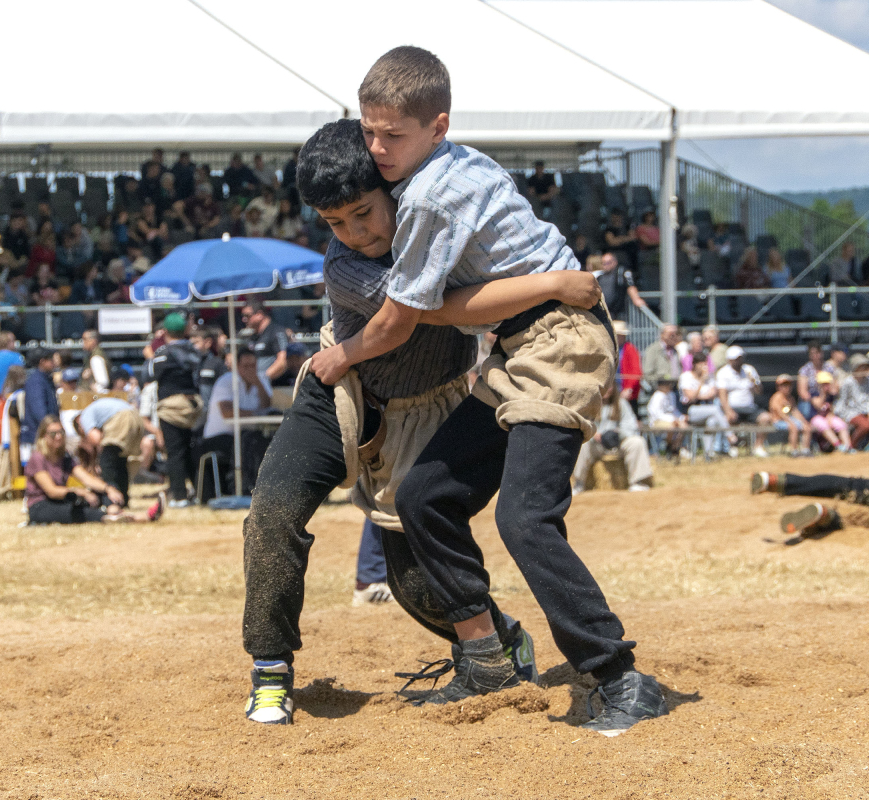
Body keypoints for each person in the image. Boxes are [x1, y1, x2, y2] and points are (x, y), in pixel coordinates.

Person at [323, 47, 667, 736]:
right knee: (427, 495)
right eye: (368, 130)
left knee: (524, 518)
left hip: (561, 342)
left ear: (437, 126)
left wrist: (341, 355)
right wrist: (547, 281)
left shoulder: (425, 195)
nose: (377, 147)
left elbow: (410, 316)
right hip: (524, 343)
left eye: (393, 134)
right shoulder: (456, 162)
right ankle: (487, 660)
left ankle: (619, 675)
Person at [241, 117, 604, 727]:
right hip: (341, 384)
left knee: (413, 583)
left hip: (428, 404)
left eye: (363, 213)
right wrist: (555, 284)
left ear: (396, 187)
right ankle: (270, 668)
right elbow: (427, 310)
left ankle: (497, 638)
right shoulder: (343, 267)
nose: (354, 234)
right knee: (271, 512)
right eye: (334, 223)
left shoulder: (435, 219)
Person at [26, 416, 164, 525]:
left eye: (61, 432)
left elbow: (87, 478)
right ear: (43, 436)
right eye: (53, 434)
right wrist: (82, 492)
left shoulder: (64, 457)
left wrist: (108, 489)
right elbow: (52, 491)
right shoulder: (37, 458)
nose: (58, 437)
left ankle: (114, 512)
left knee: (106, 488)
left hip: (63, 499)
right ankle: (140, 517)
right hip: (41, 506)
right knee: (81, 512)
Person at [199, 348, 274, 498]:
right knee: (247, 443)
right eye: (246, 366)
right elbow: (227, 411)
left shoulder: (261, 380)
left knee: (262, 441)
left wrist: (258, 383)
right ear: (237, 366)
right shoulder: (225, 381)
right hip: (220, 436)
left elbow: (267, 404)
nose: (250, 370)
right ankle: (241, 488)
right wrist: (254, 414)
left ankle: (262, 488)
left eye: (253, 365)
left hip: (246, 433)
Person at [148, 312, 203, 507]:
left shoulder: (163, 353)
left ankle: (179, 495)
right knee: (192, 448)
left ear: (165, 331)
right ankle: (200, 492)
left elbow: (150, 374)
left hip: (172, 405)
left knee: (175, 451)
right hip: (195, 404)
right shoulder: (195, 350)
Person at [572, 383, 654, 494]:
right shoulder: (590, 404)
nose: (607, 390)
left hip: (618, 444)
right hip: (596, 445)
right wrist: (594, 434)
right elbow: (582, 425)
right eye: (604, 387)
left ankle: (636, 482)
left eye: (609, 386)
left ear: (614, 388)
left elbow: (631, 426)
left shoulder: (622, 404)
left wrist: (617, 433)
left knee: (637, 442)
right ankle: (578, 484)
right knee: (582, 444)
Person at [73, 396, 146, 507]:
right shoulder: (97, 412)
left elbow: (96, 439)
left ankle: (112, 500)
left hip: (122, 417)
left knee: (107, 463)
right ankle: (123, 499)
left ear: (80, 426)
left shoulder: (84, 417)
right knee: (120, 463)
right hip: (136, 417)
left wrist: (95, 455)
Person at [715, 345, 771, 457]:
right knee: (727, 418)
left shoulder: (749, 370)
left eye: (740, 358)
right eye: (736, 359)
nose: (739, 361)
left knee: (766, 418)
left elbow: (759, 392)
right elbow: (722, 395)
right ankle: (732, 447)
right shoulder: (723, 373)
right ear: (729, 360)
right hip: (733, 407)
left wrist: (754, 383)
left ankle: (758, 447)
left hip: (749, 407)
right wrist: (728, 410)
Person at [678, 358, 732, 458]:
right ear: (694, 364)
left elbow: (712, 394)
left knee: (712, 421)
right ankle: (730, 435)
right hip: (690, 411)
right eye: (701, 364)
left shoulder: (709, 376)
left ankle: (708, 453)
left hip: (706, 409)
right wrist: (701, 381)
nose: (704, 367)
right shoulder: (686, 377)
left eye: (705, 364)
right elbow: (690, 397)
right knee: (715, 409)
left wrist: (699, 395)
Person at [243, 302, 291, 386]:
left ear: (260, 314)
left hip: (275, 386)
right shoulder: (253, 337)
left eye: (247, 316)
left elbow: (282, 362)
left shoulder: (276, 332)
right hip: (256, 385)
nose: (244, 319)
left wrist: (263, 379)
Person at [20, 348, 59, 447]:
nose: (54, 363)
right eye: (51, 360)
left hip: (45, 434)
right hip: (37, 436)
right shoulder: (36, 382)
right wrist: (51, 428)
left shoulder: (45, 379)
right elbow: (39, 410)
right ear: (42, 362)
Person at [592, 251, 646, 318]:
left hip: (618, 313)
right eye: (604, 263)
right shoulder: (599, 277)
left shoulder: (621, 273)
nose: (606, 265)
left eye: (609, 262)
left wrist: (636, 299)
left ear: (615, 262)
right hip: (603, 312)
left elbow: (630, 286)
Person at [768, 375, 812, 457]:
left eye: (788, 385)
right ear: (778, 387)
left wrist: (804, 421)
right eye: (783, 385)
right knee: (793, 427)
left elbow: (795, 411)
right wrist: (790, 422)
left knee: (807, 427)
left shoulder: (790, 398)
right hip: (778, 421)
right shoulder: (776, 397)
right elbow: (780, 413)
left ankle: (805, 450)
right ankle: (794, 451)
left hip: (789, 420)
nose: (786, 387)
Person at [613, 320, 642, 405]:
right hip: (610, 392)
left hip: (626, 392)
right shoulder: (609, 349)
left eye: (620, 335)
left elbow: (636, 371)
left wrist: (629, 388)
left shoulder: (630, 349)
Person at [796, 341, 826, 418]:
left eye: (817, 353)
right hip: (810, 399)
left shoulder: (829, 368)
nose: (815, 356)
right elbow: (802, 392)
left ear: (821, 353)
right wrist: (813, 400)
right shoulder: (805, 370)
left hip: (826, 397)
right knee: (806, 411)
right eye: (812, 354)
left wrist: (823, 397)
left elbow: (834, 388)